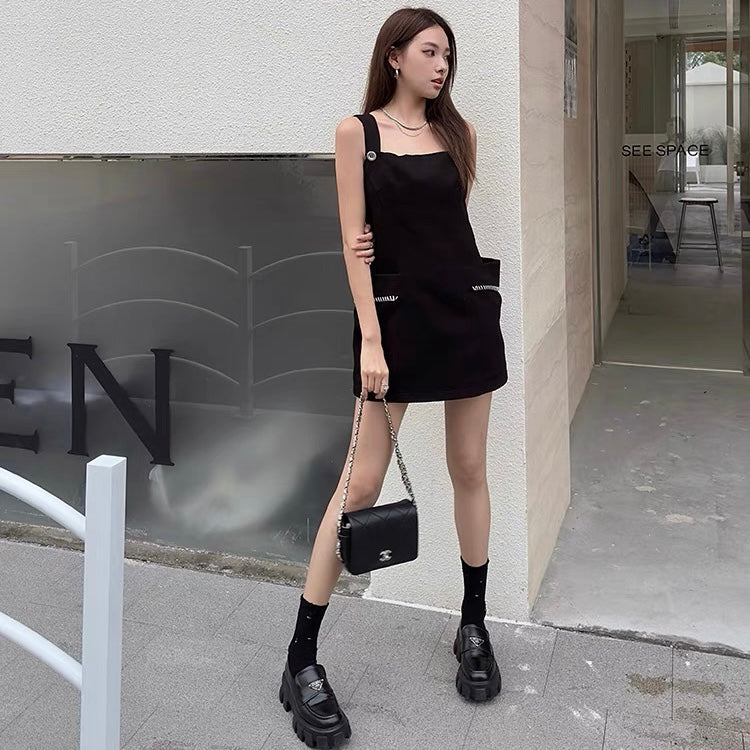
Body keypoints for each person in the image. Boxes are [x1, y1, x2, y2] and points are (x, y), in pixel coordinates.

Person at [278, 8, 508, 747]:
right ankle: (300, 657)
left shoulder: (457, 133)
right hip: (394, 326)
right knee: (360, 486)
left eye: (448, 56)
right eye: (430, 52)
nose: (442, 66)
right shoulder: (358, 133)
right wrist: (371, 342)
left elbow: (444, 232)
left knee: (469, 467)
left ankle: (473, 623)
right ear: (395, 56)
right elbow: (355, 243)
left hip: (462, 315)